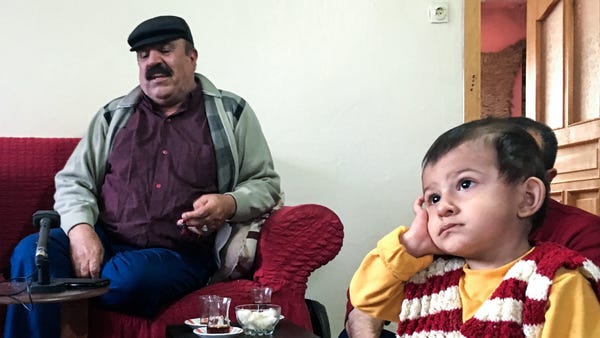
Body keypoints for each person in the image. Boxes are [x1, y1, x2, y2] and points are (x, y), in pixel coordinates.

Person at [4, 15, 280, 338]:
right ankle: (73, 291)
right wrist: (80, 231)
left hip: (177, 253)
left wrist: (228, 203)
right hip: (105, 238)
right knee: (30, 256)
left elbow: (266, 184)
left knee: (129, 278)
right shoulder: (114, 115)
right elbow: (73, 180)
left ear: (192, 57)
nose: (153, 63)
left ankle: (75, 291)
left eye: (164, 50)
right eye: (143, 56)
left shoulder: (232, 113)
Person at [341, 116, 600, 338]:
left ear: (527, 197)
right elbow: (366, 298)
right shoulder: (431, 282)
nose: (443, 206)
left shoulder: (555, 282)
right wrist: (411, 244)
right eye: (433, 198)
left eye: (465, 184)